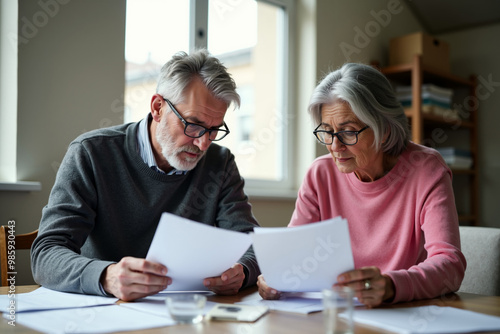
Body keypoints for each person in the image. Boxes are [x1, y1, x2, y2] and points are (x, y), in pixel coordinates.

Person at [31, 49, 260, 302]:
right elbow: (46, 254)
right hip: (104, 311)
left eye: (215, 129)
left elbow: (252, 245)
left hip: (187, 315)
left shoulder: (220, 163)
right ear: (158, 107)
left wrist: (242, 271)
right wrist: (106, 276)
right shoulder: (92, 153)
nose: (204, 144)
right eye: (193, 125)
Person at [257, 63, 466, 307]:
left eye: (348, 132)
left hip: (404, 312)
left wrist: (391, 286)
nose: (335, 146)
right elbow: (293, 255)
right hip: (336, 314)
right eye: (327, 132)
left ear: (385, 130)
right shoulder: (319, 174)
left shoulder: (426, 169)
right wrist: (277, 276)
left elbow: (450, 265)